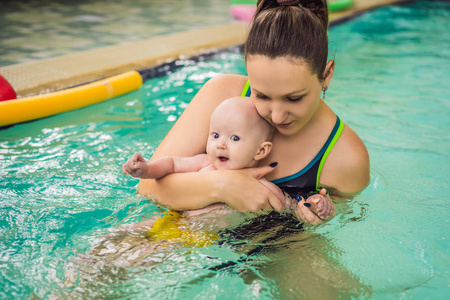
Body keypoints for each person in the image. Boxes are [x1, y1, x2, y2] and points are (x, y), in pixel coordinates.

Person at [135, 0, 370, 225]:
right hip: (190, 229)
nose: (277, 117)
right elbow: (147, 189)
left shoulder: (345, 156)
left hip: (285, 248)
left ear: (326, 75)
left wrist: (321, 213)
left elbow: (346, 219)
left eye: (294, 98)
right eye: (261, 95)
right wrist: (223, 185)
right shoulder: (222, 95)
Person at [123, 96, 295, 217]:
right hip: (176, 220)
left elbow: (286, 206)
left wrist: (313, 206)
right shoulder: (204, 162)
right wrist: (146, 170)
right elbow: (172, 164)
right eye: (215, 135)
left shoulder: (257, 185)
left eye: (234, 138)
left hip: (204, 241)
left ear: (261, 151)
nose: (220, 144)